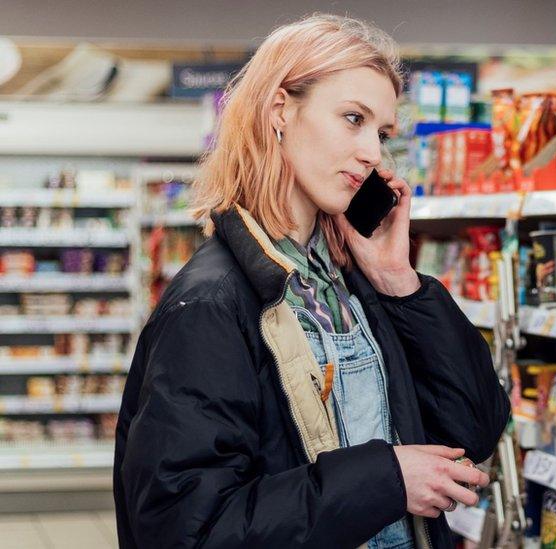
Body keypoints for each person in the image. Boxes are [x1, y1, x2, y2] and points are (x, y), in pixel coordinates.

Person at [113, 14, 510, 549]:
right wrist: (385, 481)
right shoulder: (212, 304)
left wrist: (399, 281)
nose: (372, 151)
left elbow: (473, 432)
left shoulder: (352, 281)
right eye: (352, 118)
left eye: (382, 132)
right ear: (280, 110)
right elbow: (190, 531)